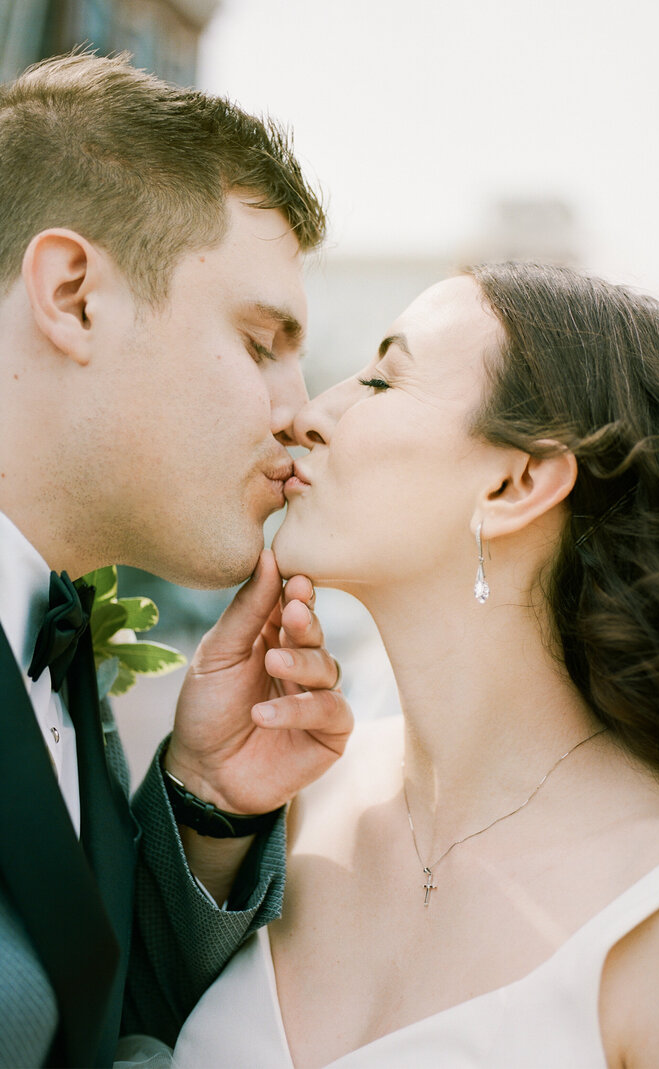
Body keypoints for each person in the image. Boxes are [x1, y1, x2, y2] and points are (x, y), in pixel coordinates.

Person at [171, 263, 659, 1068]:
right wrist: (208, 803)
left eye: (380, 379)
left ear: (515, 482)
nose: (308, 415)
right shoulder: (291, 799)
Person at [0, 53, 353, 1069]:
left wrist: (204, 801)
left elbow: (80, 1020)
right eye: (258, 343)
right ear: (72, 296)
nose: (298, 413)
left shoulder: (53, 634)